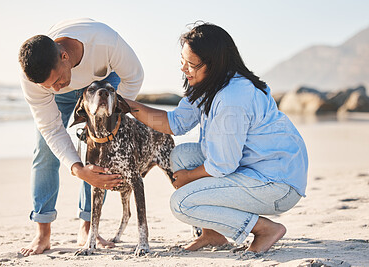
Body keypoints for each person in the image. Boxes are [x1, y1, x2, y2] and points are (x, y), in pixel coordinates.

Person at [125, 22, 308, 253]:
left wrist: (188, 177)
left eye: (191, 64)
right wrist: (130, 106)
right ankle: (213, 234)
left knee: (181, 203)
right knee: (180, 155)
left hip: (277, 185)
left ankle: (264, 229)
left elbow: (223, 164)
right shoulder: (209, 85)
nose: (184, 68)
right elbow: (176, 123)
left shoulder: (232, 98)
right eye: (182, 60)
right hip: (253, 167)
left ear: (214, 64)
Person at [18, 18, 144, 256]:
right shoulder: (34, 77)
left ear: (64, 56)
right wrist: (77, 168)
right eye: (48, 87)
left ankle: (88, 227)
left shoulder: (106, 42)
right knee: (44, 150)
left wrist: (110, 119)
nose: (54, 89)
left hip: (105, 81)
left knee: (103, 146)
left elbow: (135, 76)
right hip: (70, 87)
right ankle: (43, 233)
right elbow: (51, 129)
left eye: (55, 81)